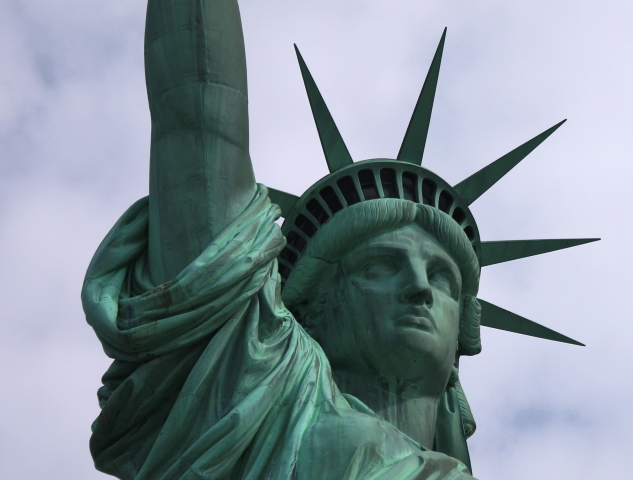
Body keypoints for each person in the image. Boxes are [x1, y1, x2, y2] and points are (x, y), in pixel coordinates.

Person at [83, 0, 485, 478]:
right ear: (311, 307)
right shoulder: (254, 394)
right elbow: (197, 117)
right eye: (379, 265)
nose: (420, 287)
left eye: (442, 277)